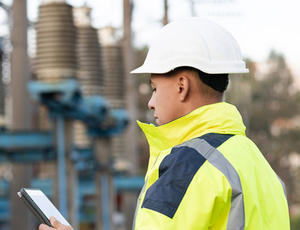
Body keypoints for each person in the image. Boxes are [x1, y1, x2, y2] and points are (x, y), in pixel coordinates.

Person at [39, 18, 290, 230]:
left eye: (155, 88)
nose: (150, 102)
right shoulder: (258, 165)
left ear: (182, 86)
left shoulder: (189, 165)